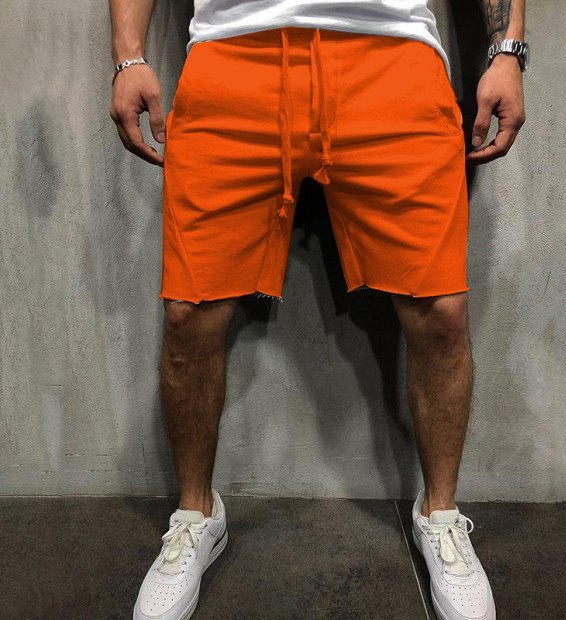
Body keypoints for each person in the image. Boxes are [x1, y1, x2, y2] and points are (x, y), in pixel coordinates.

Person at [108, 1, 527, 618]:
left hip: (393, 56)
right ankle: (196, 516)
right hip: (232, 56)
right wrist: (128, 56)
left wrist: (507, 51)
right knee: (188, 315)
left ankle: (440, 515)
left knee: (441, 312)